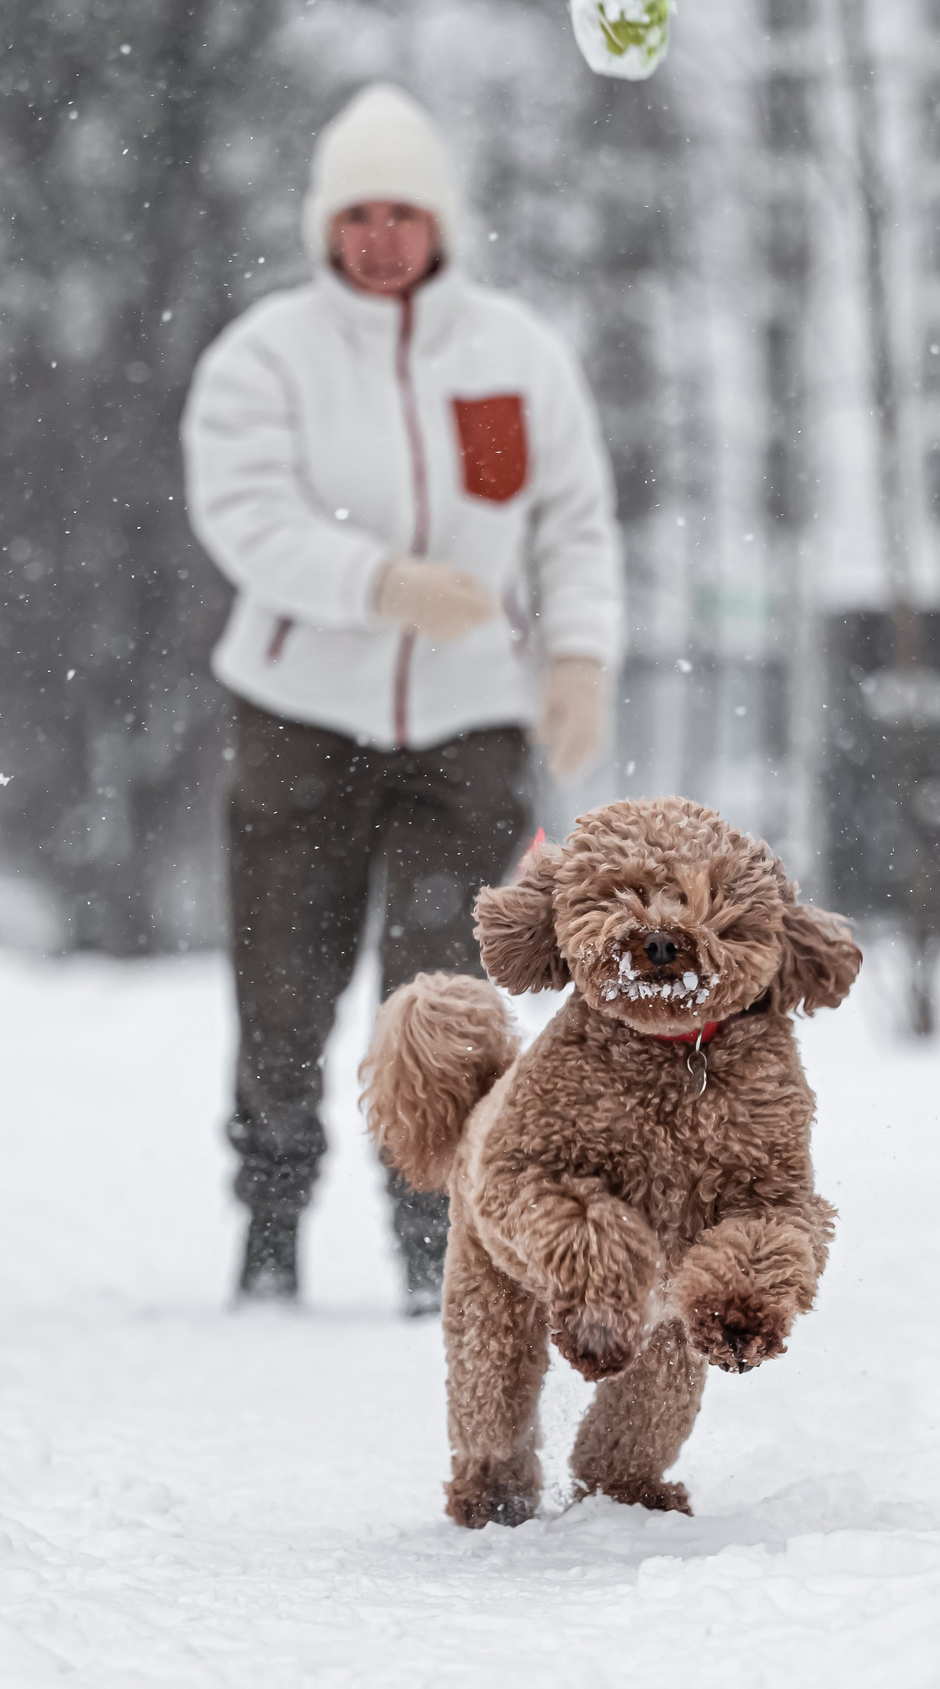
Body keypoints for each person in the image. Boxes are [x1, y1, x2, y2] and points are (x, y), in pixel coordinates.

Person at [180, 84, 622, 1311]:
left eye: (404, 212)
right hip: (297, 716)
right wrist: (377, 583)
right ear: (327, 223)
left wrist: (577, 657)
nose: (381, 236)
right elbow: (245, 517)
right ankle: (270, 1216)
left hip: (470, 728)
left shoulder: (515, 357)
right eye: (358, 213)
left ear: (443, 222)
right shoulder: (263, 357)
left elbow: (572, 526)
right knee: (282, 988)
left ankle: (438, 1240)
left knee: (442, 998)